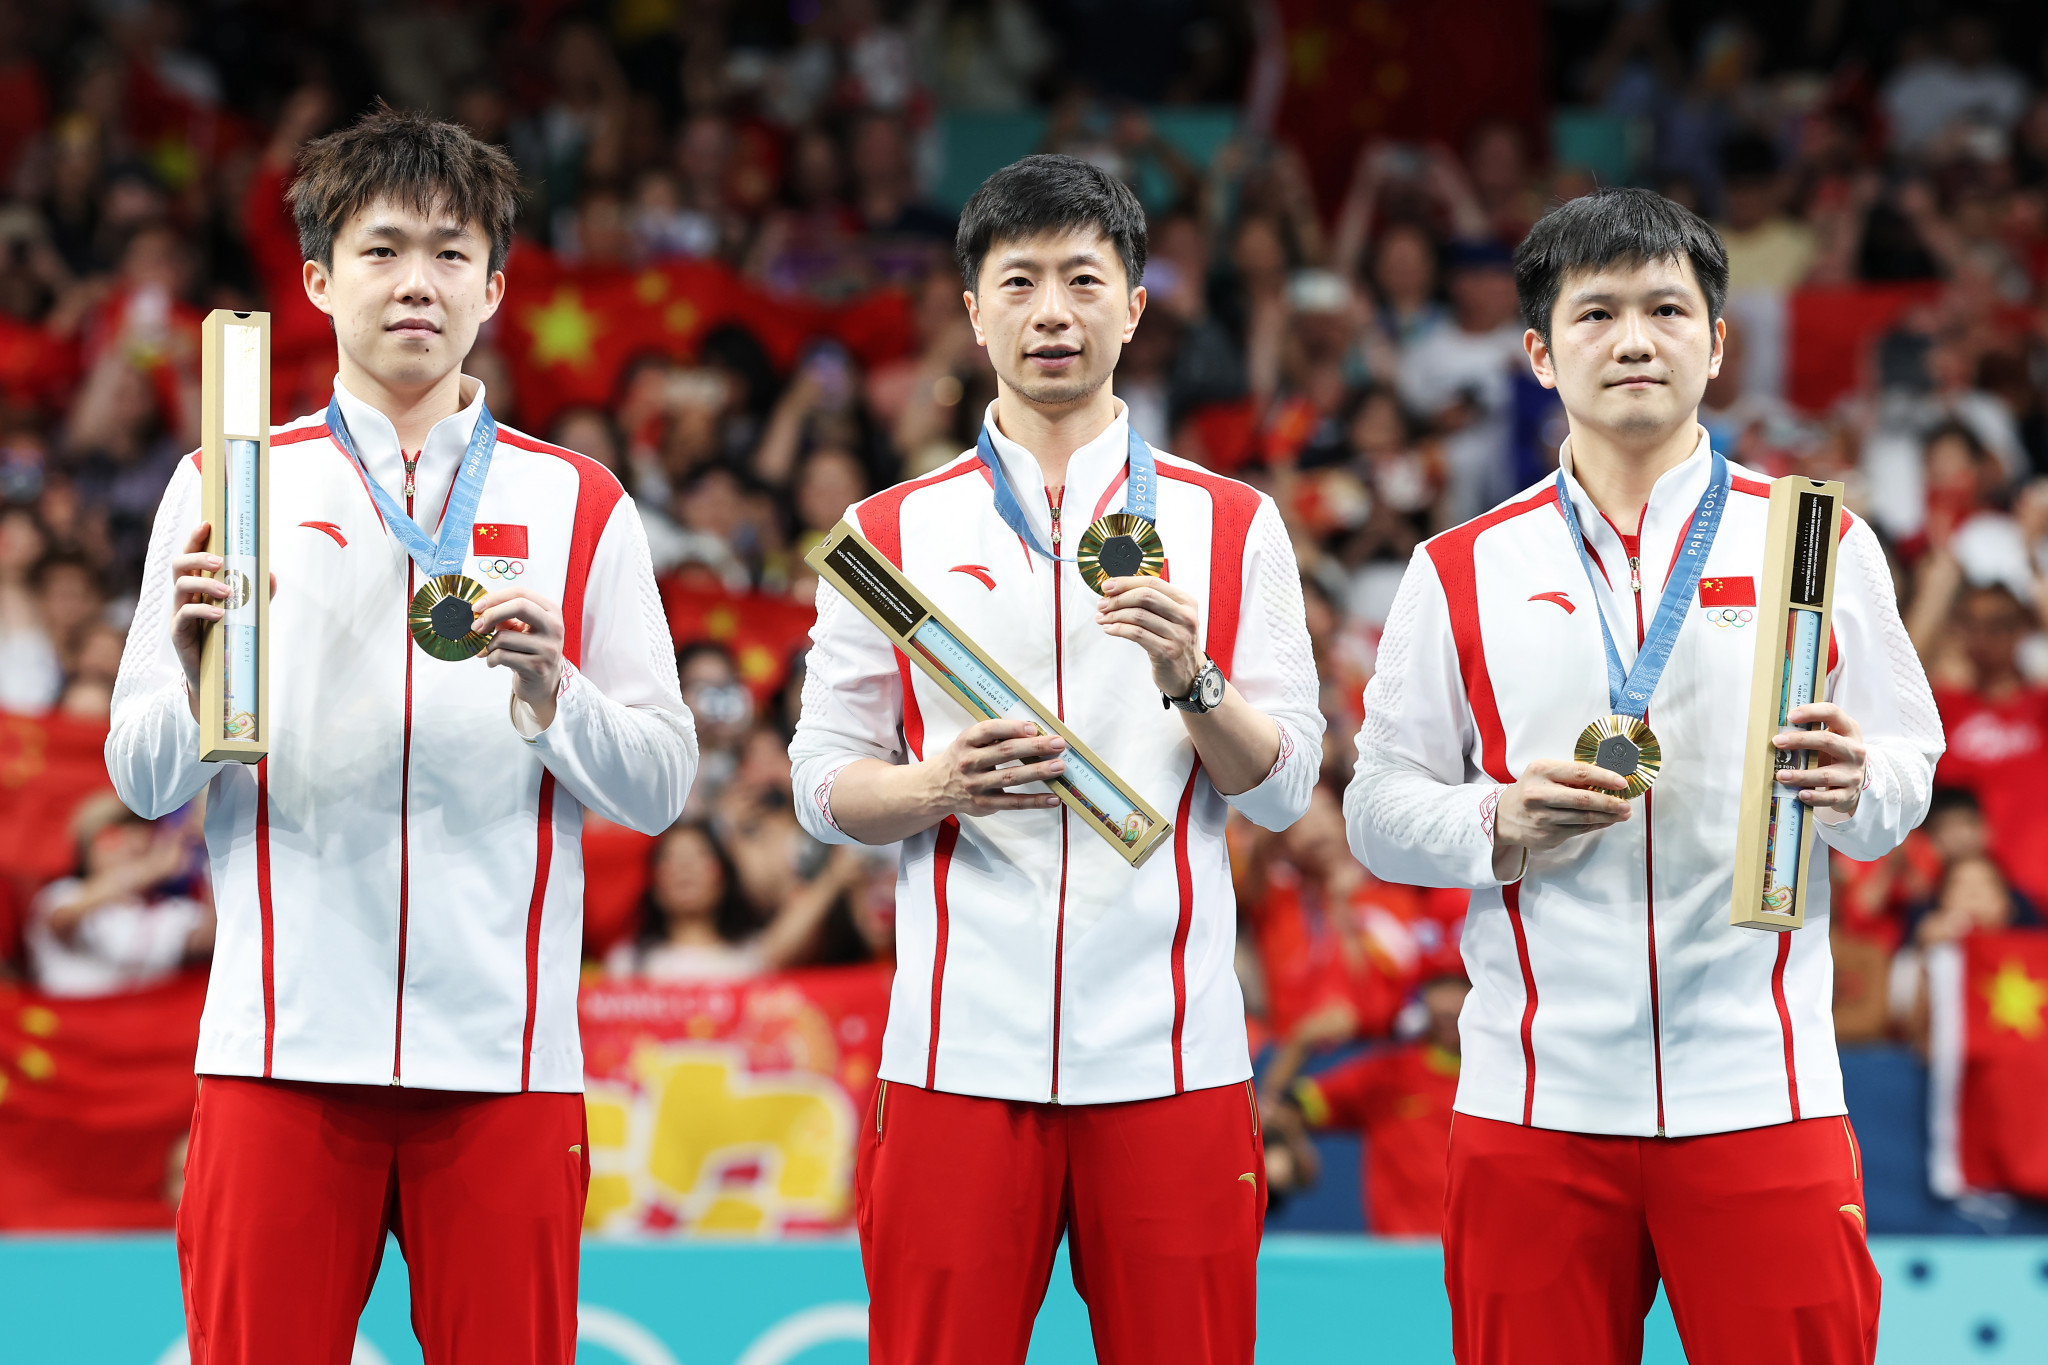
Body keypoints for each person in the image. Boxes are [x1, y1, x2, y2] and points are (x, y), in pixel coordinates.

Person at [104, 108, 697, 1364]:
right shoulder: (230, 480)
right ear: (319, 281)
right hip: (278, 1046)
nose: (415, 281)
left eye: (447, 250)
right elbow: (139, 775)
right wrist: (207, 691)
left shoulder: (576, 500)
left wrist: (556, 700)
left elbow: (657, 787)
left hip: (504, 1056)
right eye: (381, 250)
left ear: (494, 281)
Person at [1346, 187, 1944, 1365]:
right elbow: (1374, 808)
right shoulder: (1458, 568)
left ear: (1716, 346)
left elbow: (1904, 768)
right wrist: (1495, 820)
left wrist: (1857, 786)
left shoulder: (1813, 541)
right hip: (1532, 1105)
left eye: (1668, 309)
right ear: (1537, 351)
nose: (1634, 339)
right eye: (1597, 312)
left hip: (1760, 1091)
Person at [788, 154, 1323, 1364]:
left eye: (1084, 281)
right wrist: (934, 786)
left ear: (1134, 307)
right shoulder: (887, 532)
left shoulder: (1231, 522)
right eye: (1017, 282)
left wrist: (1195, 681)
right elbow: (820, 782)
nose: (1051, 313)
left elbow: (1284, 787)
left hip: (1172, 1052)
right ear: (970, 311)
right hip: (953, 1055)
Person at [1260, 972, 1469, 1237]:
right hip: (1401, 1262)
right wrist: (1303, 1040)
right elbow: (1276, 1107)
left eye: (1461, 988)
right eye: (1439, 987)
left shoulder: (1513, 1077)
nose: (1449, 1005)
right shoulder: (1385, 1074)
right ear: (1421, 998)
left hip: (1484, 1257)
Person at [25, 794, 212, 998]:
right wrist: (151, 869)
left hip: (143, 1024)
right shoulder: (62, 893)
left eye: (142, 833)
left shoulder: (166, 910)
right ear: (88, 847)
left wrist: (216, 851)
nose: (132, 844)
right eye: (114, 835)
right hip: (71, 1024)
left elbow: (212, 940)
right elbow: (63, 919)